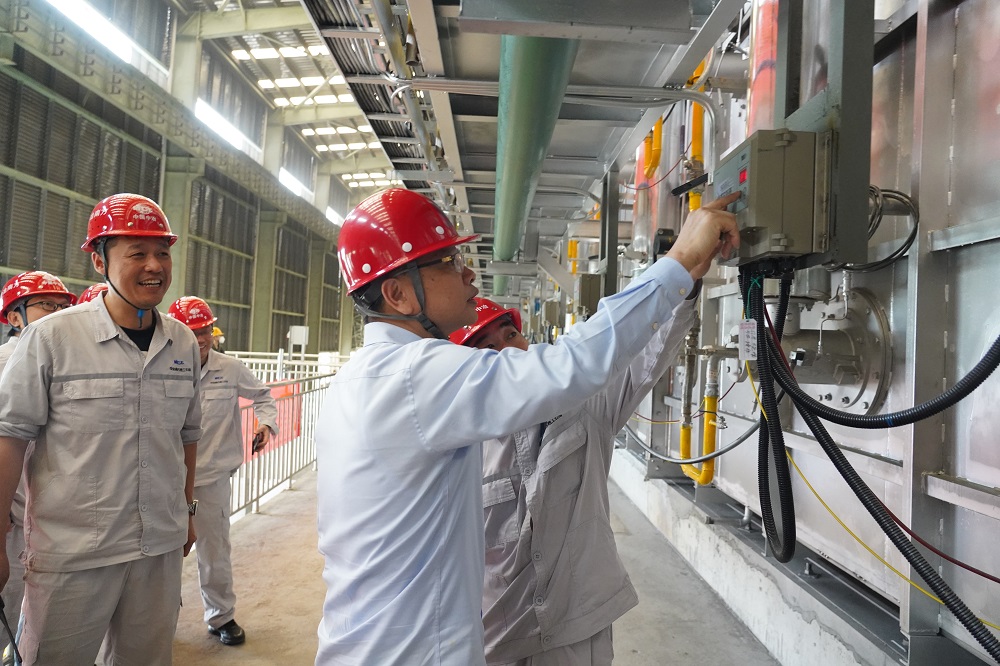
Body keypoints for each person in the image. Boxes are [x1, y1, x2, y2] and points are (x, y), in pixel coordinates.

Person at [314, 188, 739, 665]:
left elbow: (609, 369)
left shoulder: (361, 381)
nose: (468, 274)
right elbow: (570, 365)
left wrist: (683, 281)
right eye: (448, 262)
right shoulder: (415, 376)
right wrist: (679, 262)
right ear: (397, 294)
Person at [0, 193, 202, 666]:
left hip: (158, 548)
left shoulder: (182, 342)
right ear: (99, 261)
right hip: (73, 555)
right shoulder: (52, 338)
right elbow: (9, 438)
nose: (154, 266)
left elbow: (187, 437)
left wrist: (188, 511)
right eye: (137, 253)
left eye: (163, 253)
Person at [451, 293, 695, 665]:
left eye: (511, 335)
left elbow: (647, 353)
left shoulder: (586, 404)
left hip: (579, 626)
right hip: (500, 632)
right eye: (488, 348)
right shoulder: (462, 445)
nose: (509, 351)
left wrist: (682, 286)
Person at [165, 296, 277, 646]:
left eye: (205, 331)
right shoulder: (163, 366)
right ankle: (159, 623)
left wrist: (265, 424)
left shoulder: (230, 368)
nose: (200, 339)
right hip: (166, 481)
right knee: (162, 556)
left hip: (210, 480)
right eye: (192, 332)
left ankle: (221, 616)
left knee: (214, 552)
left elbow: (263, 395)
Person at [0, 272, 77, 665]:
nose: (58, 313)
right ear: (15, 317)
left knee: (45, 610)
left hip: (52, 510)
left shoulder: (67, 359)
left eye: (63, 307)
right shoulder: (4, 362)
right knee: (10, 600)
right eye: (47, 305)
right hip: (11, 512)